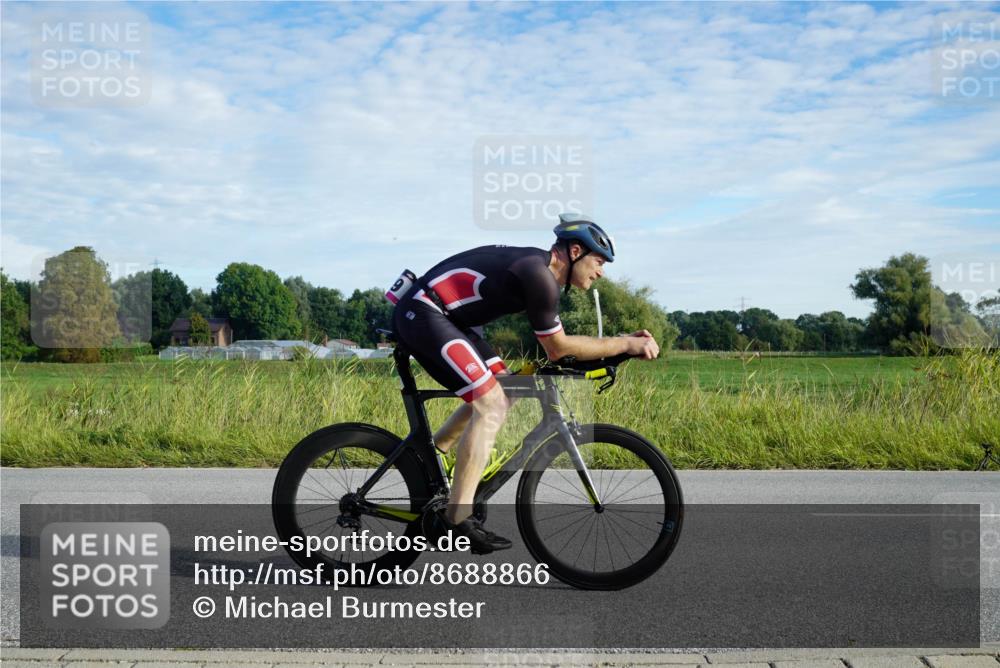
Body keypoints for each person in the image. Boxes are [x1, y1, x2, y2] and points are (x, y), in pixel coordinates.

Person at [390, 214, 660, 554]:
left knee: (506, 390)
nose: (601, 271)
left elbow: (559, 351)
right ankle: (456, 517)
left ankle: (429, 458)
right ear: (575, 251)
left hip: (449, 319)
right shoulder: (539, 275)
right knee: (491, 404)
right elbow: (559, 347)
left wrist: (616, 351)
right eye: (599, 261)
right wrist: (625, 344)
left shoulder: (540, 271)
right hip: (426, 313)